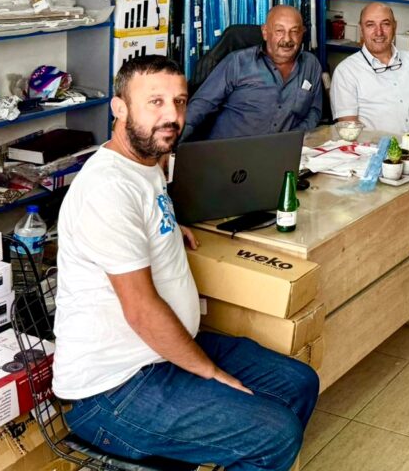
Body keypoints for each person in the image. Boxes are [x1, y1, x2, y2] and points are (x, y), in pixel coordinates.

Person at [52, 56, 319, 470]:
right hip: (114, 388)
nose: (172, 115)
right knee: (275, 435)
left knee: (298, 383)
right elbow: (142, 310)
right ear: (119, 108)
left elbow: (140, 215)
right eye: (155, 102)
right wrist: (208, 371)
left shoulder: (145, 162)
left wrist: (166, 227)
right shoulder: (107, 189)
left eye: (179, 101)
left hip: (159, 355)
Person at [183, 5, 323, 140]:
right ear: (265, 32)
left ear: (302, 33)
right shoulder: (237, 62)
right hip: (230, 151)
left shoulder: (311, 65)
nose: (287, 39)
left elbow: (314, 111)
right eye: (279, 31)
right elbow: (201, 105)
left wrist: (291, 140)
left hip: (282, 151)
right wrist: (176, 142)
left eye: (294, 31)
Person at [330, 2, 409, 134]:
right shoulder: (346, 71)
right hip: (373, 146)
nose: (379, 32)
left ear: (395, 26)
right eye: (370, 25)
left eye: (385, 24)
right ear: (361, 30)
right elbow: (349, 130)